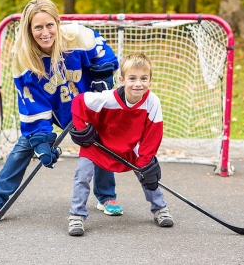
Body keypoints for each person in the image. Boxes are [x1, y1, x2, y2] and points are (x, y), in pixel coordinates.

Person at [0, 0, 124, 222]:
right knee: (24, 146)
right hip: (53, 108)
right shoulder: (24, 57)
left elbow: (103, 57)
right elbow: (32, 102)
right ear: (29, 29)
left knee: (100, 139)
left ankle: (106, 196)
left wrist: (100, 83)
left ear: (57, 23)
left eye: (49, 25)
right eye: (38, 27)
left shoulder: (77, 36)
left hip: (85, 102)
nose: (45, 32)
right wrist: (42, 141)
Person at [67, 53, 174, 236]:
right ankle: (77, 215)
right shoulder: (106, 98)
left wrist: (145, 161)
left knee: (148, 173)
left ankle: (160, 208)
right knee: (82, 175)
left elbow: (153, 134)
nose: (138, 84)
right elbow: (78, 103)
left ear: (150, 80)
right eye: (132, 78)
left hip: (130, 145)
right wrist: (80, 128)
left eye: (143, 78)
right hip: (98, 144)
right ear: (122, 80)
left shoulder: (152, 102)